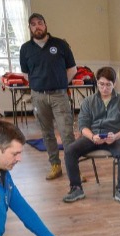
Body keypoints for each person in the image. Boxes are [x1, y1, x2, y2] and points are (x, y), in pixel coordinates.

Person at [62, 67, 120, 205]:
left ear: (114, 84)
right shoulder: (88, 101)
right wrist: (92, 137)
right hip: (93, 136)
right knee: (70, 150)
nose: (104, 88)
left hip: (115, 136)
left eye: (108, 84)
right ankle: (76, 188)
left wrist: (115, 136)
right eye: (101, 84)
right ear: (97, 82)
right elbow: (83, 126)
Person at [19, 12, 77, 180]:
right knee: (47, 133)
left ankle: (73, 169)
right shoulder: (25, 49)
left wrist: (60, 84)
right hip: (38, 97)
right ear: (30, 28)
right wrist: (38, 85)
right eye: (33, 24)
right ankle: (55, 166)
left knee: (67, 133)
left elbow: (72, 69)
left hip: (60, 96)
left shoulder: (60, 44)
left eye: (40, 23)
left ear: (45, 25)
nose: (37, 26)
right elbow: (25, 74)